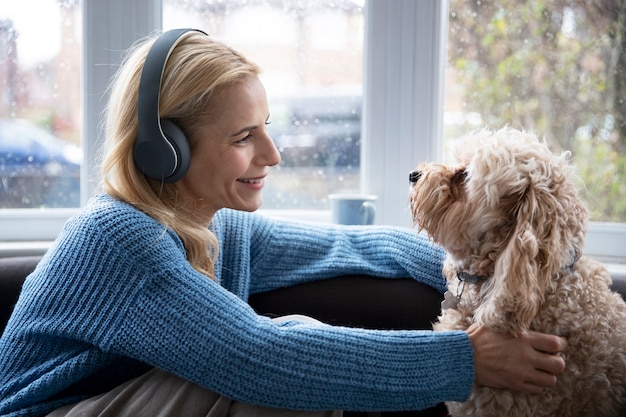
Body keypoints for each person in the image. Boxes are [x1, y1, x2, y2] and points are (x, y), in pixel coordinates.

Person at [0, 29, 567, 417]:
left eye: (265, 126)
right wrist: (466, 360)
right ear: (163, 150)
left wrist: (539, 266)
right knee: (279, 376)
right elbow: (264, 356)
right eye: (244, 137)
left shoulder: (213, 226)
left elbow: (357, 247)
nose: (272, 154)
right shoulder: (119, 240)